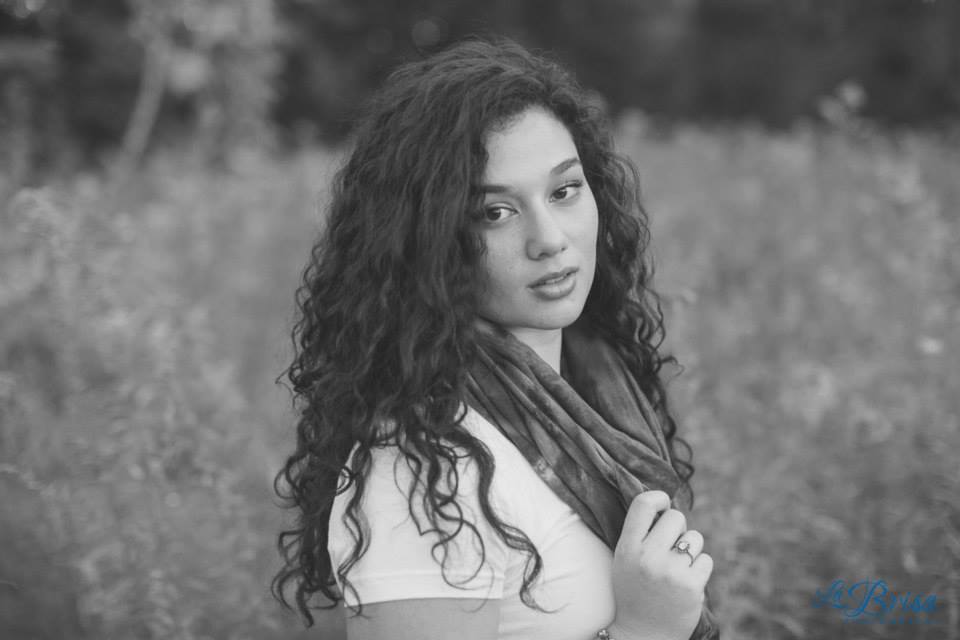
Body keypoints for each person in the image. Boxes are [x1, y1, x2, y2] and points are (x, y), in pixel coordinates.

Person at [273, 37, 719, 640]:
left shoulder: (597, 393)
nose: (550, 239)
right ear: (428, 242)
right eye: (494, 213)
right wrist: (645, 631)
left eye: (564, 191)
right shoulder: (425, 468)